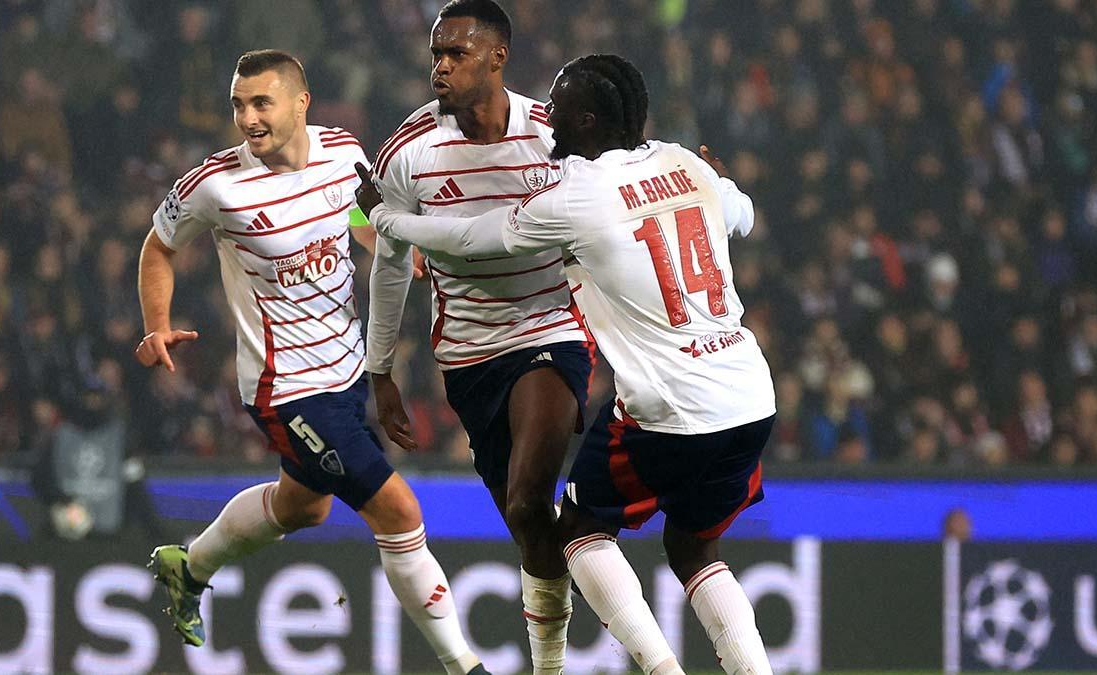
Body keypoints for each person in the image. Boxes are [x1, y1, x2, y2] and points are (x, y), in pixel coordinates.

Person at [357, 54, 777, 675]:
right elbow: (740, 212)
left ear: (586, 119)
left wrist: (387, 217)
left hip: (670, 405)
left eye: (560, 108)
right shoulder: (685, 163)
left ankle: (661, 669)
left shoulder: (576, 195)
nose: (547, 119)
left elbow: (478, 238)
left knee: (577, 531)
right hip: (748, 395)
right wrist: (716, 182)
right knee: (695, 551)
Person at [136, 49, 487, 675]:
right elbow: (158, 246)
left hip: (347, 369)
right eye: (238, 105)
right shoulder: (217, 185)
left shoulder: (344, 150)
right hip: (287, 387)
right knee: (399, 511)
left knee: (305, 506)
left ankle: (187, 568)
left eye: (261, 103)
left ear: (302, 103)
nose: (247, 117)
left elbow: (357, 217)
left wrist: (401, 253)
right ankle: (465, 665)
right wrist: (156, 325)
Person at [368, 1, 590, 670]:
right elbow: (388, 259)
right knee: (527, 522)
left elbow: (607, 216)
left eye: (456, 53)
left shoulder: (558, 133)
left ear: (498, 57)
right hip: (468, 356)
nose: (441, 65)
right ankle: (585, 540)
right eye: (436, 53)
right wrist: (380, 369)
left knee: (528, 495)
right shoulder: (408, 151)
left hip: (552, 328)